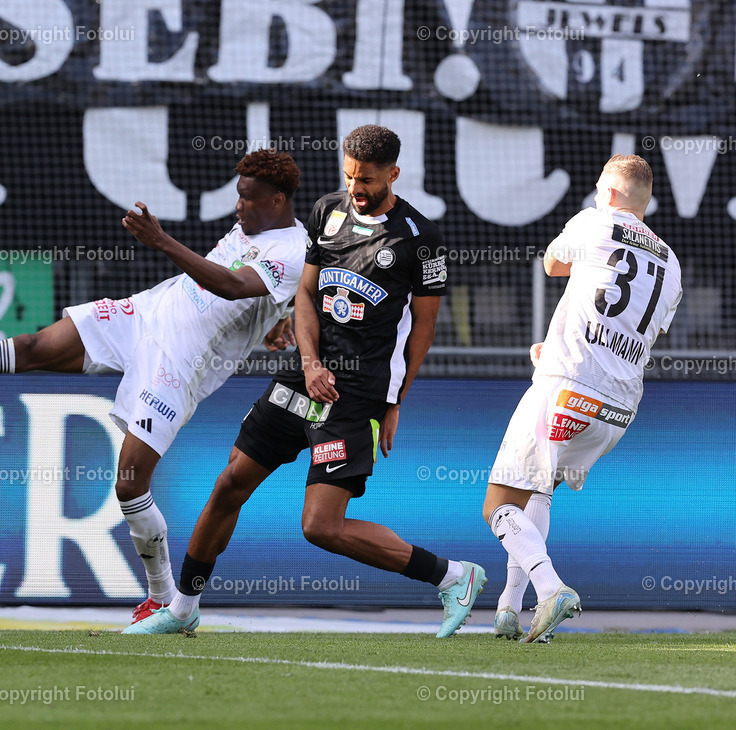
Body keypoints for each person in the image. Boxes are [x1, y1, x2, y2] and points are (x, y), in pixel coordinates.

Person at [0, 149, 308, 623]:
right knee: (35, 346)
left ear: (278, 200)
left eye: (248, 198)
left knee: (129, 482)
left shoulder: (289, 249)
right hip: (146, 313)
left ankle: (163, 599)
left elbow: (231, 285)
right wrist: (281, 316)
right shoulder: (256, 226)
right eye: (238, 196)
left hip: (181, 362)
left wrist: (162, 241)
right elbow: (266, 292)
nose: (238, 206)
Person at [124, 125, 486, 637]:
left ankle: (453, 576)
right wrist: (311, 363)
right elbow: (307, 296)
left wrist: (394, 401)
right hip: (304, 374)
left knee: (320, 526)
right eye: (351, 175)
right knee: (230, 483)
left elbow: (422, 330)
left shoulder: (421, 240)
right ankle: (182, 608)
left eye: (369, 180)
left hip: (354, 392)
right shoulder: (327, 211)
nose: (358, 188)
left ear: (394, 175)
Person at [483, 154, 682, 643]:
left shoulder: (596, 220)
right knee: (539, 490)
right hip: (618, 408)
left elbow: (553, 263)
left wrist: (560, 358)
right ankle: (511, 607)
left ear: (610, 194)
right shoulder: (672, 263)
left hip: (567, 386)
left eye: (598, 188)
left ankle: (551, 590)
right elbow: (633, 325)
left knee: (497, 506)